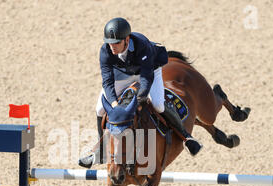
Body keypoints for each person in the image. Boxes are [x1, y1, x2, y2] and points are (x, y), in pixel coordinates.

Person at [78, 17, 202, 169]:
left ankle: (186, 137)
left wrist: (138, 99)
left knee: (157, 104)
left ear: (127, 39)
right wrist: (115, 105)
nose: (112, 46)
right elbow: (107, 81)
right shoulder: (105, 51)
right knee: (100, 108)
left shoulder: (141, 44)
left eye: (116, 42)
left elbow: (145, 78)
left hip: (149, 71)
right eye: (109, 42)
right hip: (123, 74)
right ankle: (100, 150)